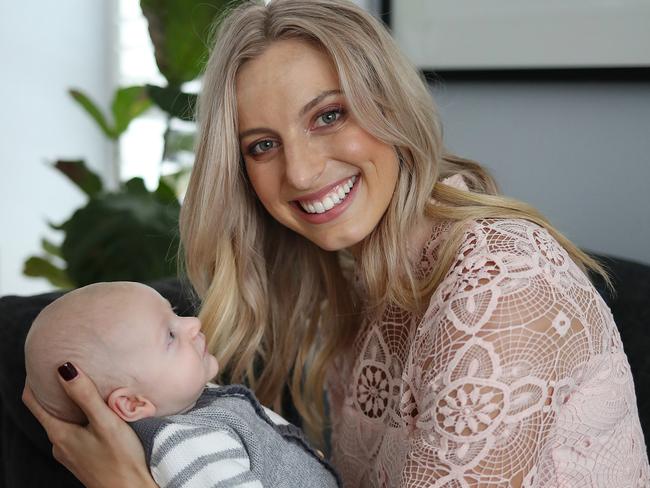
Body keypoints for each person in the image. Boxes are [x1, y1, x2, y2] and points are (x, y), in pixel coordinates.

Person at [23, 0, 650, 486]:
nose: (298, 173)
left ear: (392, 108)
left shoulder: (501, 286)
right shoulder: (356, 286)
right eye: (262, 146)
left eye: (328, 115)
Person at [24, 282, 340, 488]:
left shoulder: (195, 403)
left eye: (174, 314)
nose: (193, 323)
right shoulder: (184, 445)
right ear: (133, 404)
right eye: (170, 336)